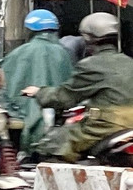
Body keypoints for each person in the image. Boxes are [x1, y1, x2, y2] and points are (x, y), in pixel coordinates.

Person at [21, 12, 133, 162]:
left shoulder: (91, 65)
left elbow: (64, 97)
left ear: (88, 39)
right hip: (129, 127)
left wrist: (39, 92)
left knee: (52, 145)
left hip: (104, 128)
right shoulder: (129, 62)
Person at [0, 9, 73, 153]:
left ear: (29, 30)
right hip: (59, 128)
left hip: (20, 126)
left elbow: (3, 89)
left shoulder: (17, 54)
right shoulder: (64, 54)